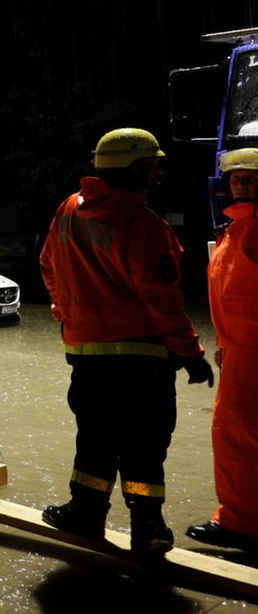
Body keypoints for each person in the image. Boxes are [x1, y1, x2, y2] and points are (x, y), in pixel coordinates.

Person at [38, 127, 213, 556]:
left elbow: (48, 266)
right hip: (142, 355)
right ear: (128, 167)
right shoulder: (142, 224)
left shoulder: (68, 209)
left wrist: (67, 313)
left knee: (94, 437)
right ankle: (147, 527)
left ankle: (85, 514)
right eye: (151, 166)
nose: (157, 174)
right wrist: (190, 353)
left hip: (85, 353)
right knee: (144, 443)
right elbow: (161, 298)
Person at [188, 147, 258, 551]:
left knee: (236, 435)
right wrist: (224, 341)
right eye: (236, 179)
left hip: (252, 349)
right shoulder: (236, 228)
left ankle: (241, 523)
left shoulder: (250, 229)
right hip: (239, 346)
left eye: (250, 178)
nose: (242, 184)